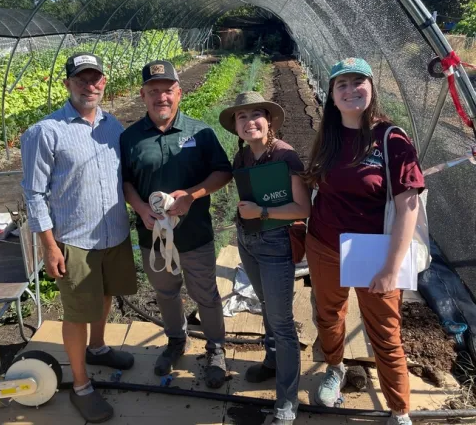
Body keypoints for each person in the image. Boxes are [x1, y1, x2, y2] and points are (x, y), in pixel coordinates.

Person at [302, 58, 425, 425]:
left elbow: (408, 208)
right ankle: (335, 368)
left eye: (359, 82)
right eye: (342, 85)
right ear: (332, 96)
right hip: (324, 245)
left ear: (371, 89)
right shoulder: (328, 135)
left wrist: (390, 267)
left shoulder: (392, 139)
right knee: (329, 315)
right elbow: (315, 185)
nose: (351, 90)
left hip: (374, 252)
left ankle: (399, 409)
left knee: (386, 332)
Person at [21, 53, 137, 423]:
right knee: (75, 313)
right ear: (68, 83)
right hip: (73, 240)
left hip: (113, 232)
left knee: (104, 292)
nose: (90, 85)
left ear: (104, 82)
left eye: (96, 78)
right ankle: (82, 386)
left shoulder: (113, 126)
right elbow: (34, 193)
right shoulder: (46, 131)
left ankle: (98, 347)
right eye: (81, 78)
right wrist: (49, 244)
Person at [120, 60, 232, 389]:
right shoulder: (130, 138)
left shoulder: (201, 132)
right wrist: (140, 207)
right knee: (166, 293)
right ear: (143, 95)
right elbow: (126, 181)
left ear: (179, 93)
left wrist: (193, 195)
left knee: (206, 294)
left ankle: (216, 349)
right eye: (153, 91)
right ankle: (175, 341)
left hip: (195, 233)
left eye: (168, 90)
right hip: (152, 235)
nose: (161, 97)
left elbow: (223, 172)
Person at [219, 91, 311, 425]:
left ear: (268, 120)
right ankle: (272, 362)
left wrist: (264, 210)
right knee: (267, 310)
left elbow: (303, 208)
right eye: (241, 117)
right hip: (248, 240)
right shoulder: (242, 157)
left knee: (283, 322)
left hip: (275, 245)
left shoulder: (285, 157)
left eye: (255, 114)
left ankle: (287, 401)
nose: (248, 122)